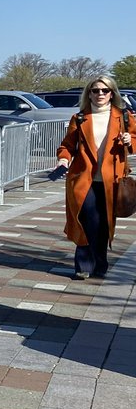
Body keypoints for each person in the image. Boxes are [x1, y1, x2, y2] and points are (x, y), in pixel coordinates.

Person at [51, 75, 136, 280]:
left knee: (104, 223)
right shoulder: (79, 118)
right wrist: (63, 160)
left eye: (104, 91)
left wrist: (129, 140)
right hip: (83, 179)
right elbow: (67, 146)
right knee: (88, 219)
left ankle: (100, 264)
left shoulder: (123, 116)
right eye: (95, 90)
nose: (100, 94)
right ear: (88, 93)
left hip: (112, 181)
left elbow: (135, 138)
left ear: (112, 93)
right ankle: (83, 265)